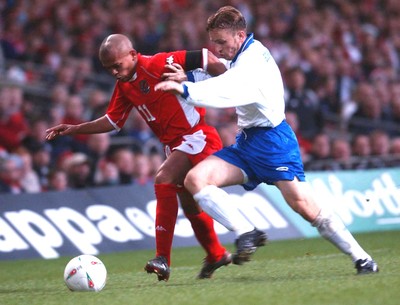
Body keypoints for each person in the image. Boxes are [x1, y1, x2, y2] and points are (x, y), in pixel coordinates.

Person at [155, 6, 378, 274]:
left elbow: (227, 91)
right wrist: (188, 76)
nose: (217, 48)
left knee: (305, 207)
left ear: (240, 35)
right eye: (214, 42)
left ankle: (362, 258)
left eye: (222, 42)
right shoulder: (245, 53)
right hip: (248, 143)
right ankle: (246, 231)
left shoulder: (252, 63)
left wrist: (185, 88)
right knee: (195, 179)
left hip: (274, 143)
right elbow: (225, 71)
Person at [46, 34, 231, 281]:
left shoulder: (157, 64)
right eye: (108, 68)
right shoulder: (124, 84)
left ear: (133, 55)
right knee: (189, 203)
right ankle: (216, 254)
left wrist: (228, 81)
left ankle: (163, 258)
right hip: (176, 145)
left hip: (197, 136)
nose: (113, 71)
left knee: (163, 177)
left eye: (117, 65)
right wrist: (75, 128)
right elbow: (113, 121)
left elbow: (205, 57)